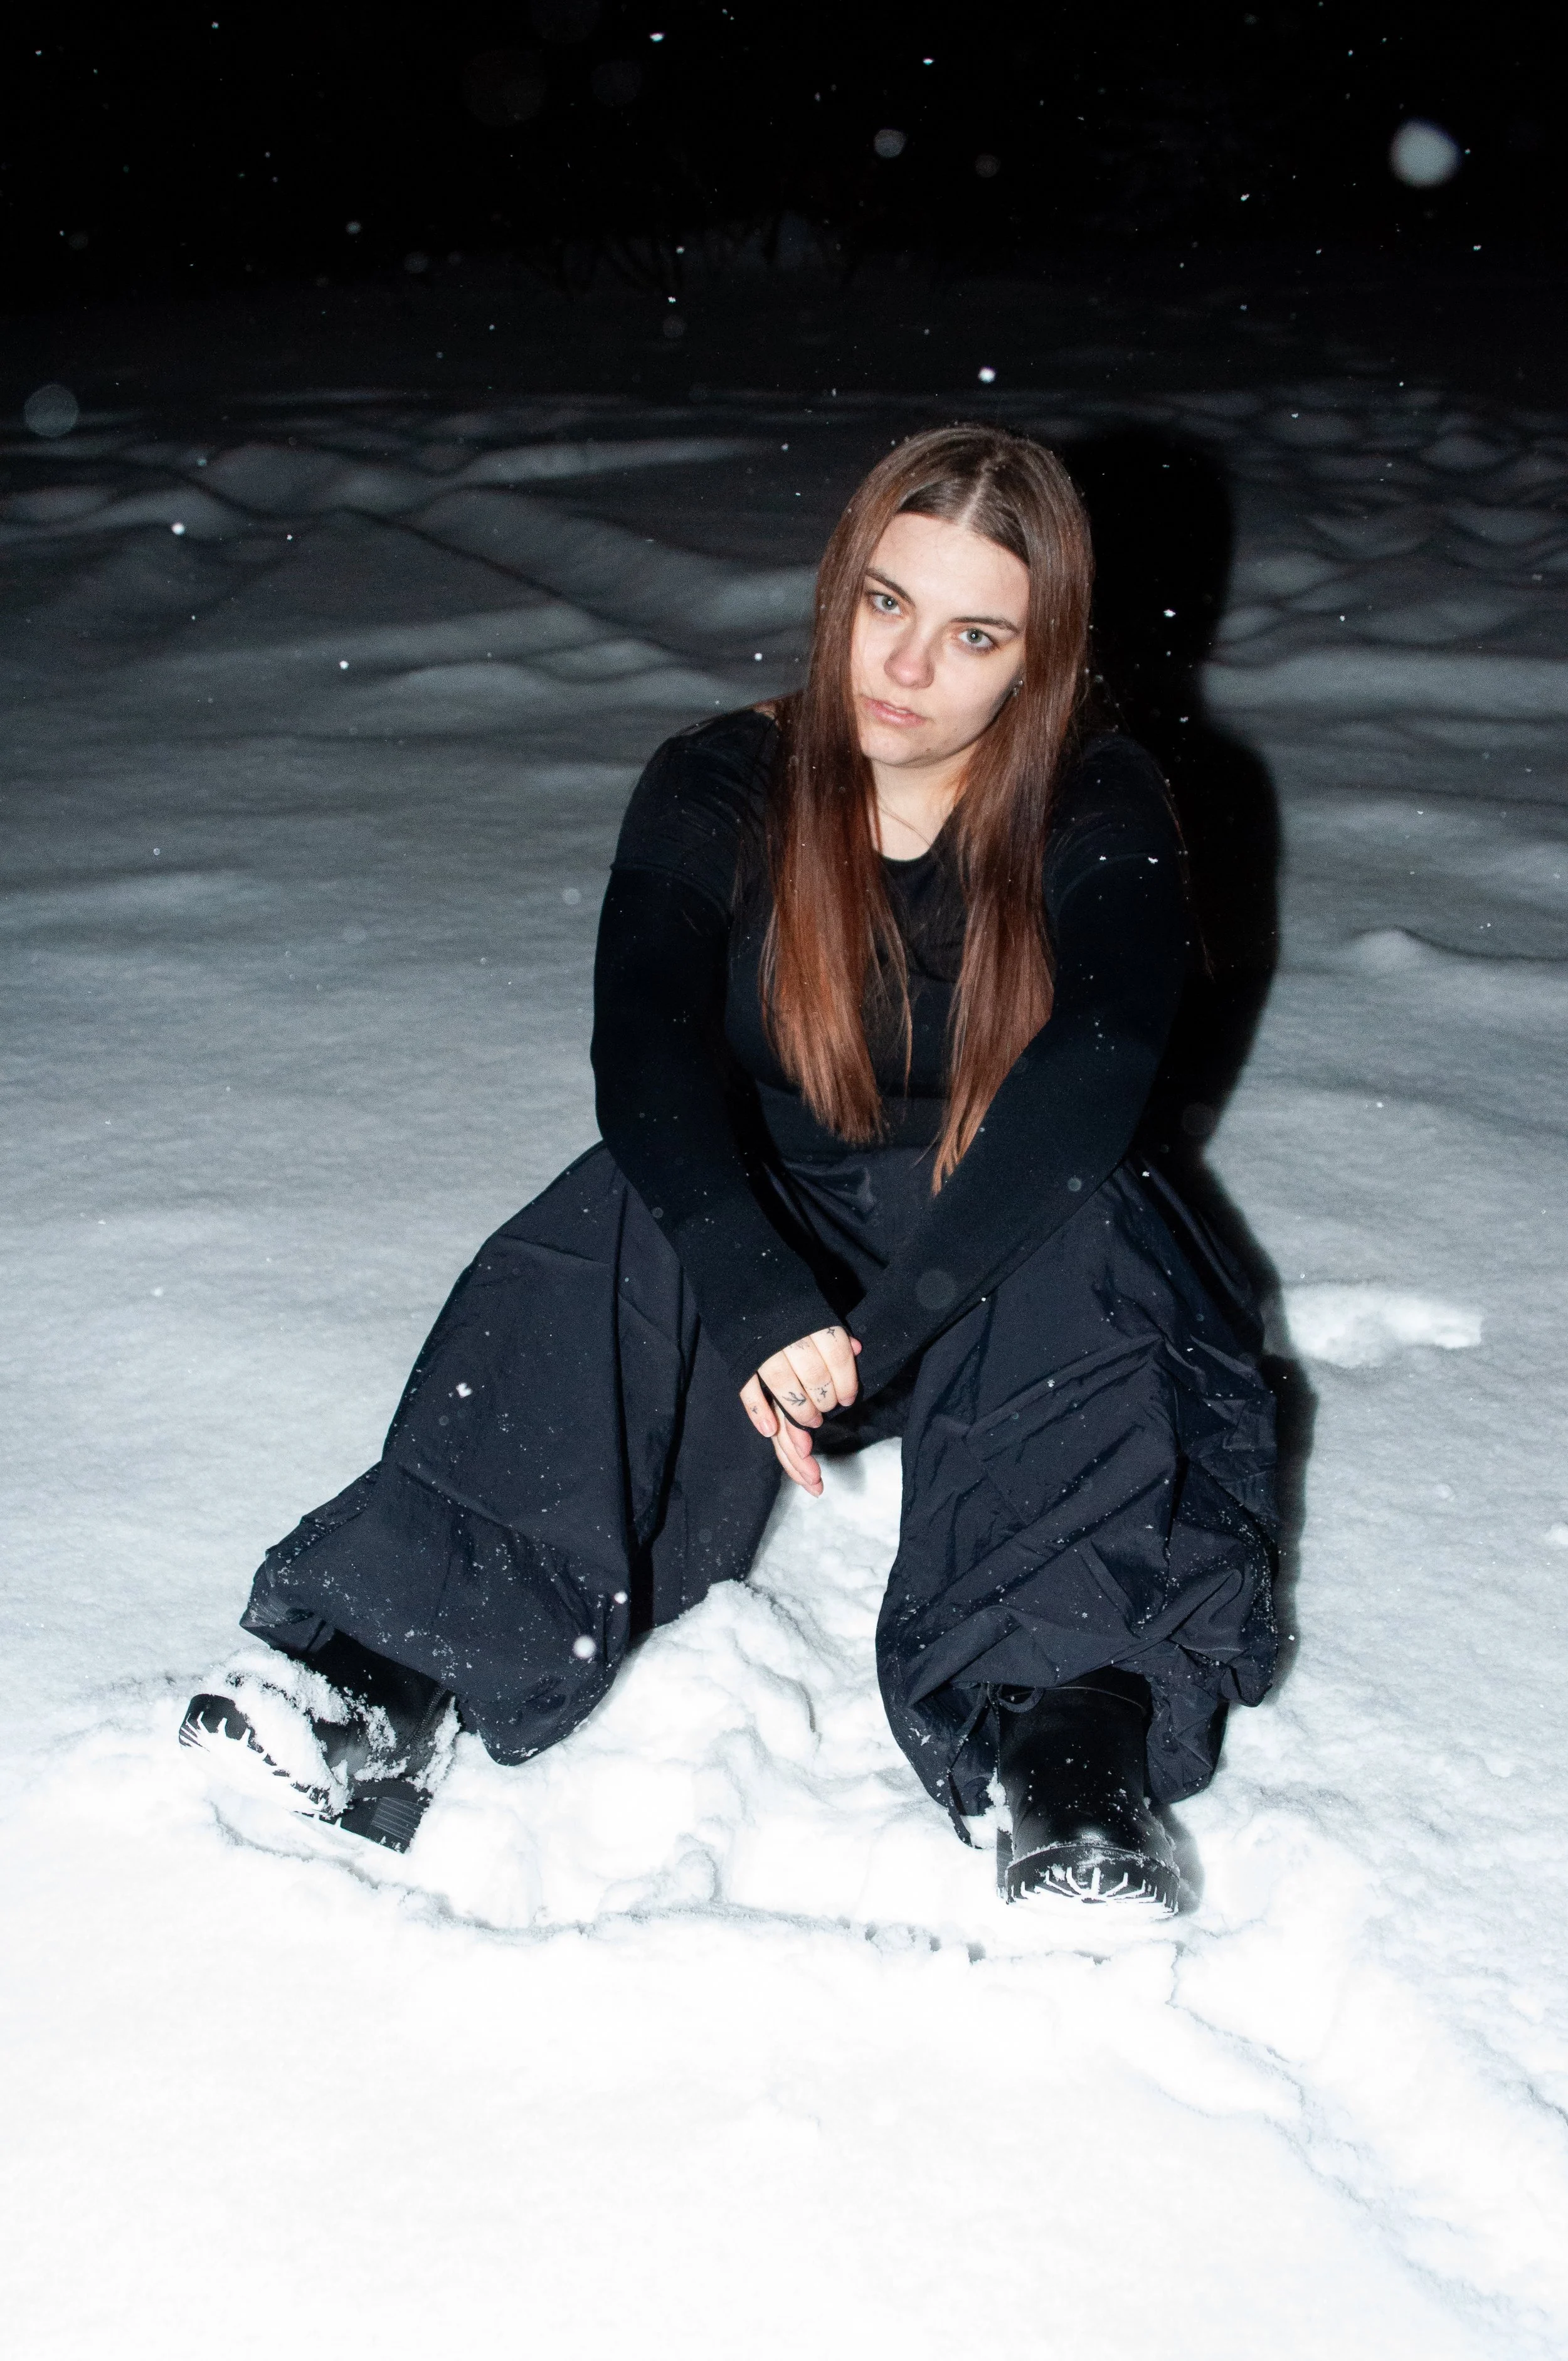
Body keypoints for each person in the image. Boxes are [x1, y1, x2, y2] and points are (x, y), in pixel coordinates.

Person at [181, 425, 1278, 1910]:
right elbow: (639, 1045)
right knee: (620, 1214)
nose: (903, 666)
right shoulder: (724, 780)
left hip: (998, 1246)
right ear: (839, 592)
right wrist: (754, 1284)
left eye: (971, 635)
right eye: (883, 604)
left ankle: (1063, 1749)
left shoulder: (1097, 803)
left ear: (1038, 658)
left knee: (1088, 1237)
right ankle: (389, 1667)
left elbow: (1093, 1072)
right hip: (776, 1237)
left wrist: (882, 1334)